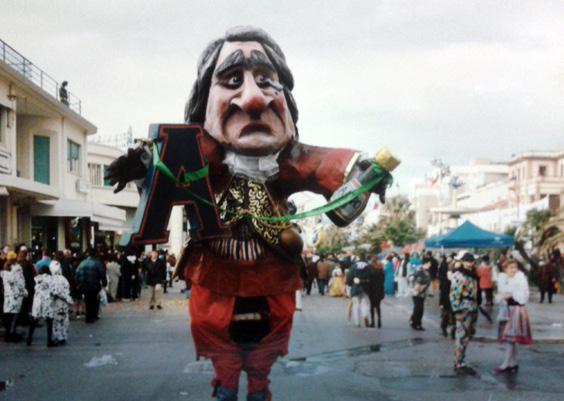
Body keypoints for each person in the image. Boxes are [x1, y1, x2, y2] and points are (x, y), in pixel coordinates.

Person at [105, 26, 390, 401]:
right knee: (224, 363)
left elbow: (330, 164)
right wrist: (145, 165)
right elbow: (166, 172)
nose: (254, 98)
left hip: (273, 275)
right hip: (216, 275)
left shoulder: (288, 160)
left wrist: (364, 173)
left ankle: (255, 387)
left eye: (267, 80)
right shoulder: (200, 156)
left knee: (261, 367)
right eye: (232, 80)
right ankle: (228, 386)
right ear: (204, 98)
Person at [495, 260, 533, 373]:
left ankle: (506, 363)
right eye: (511, 268)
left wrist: (510, 294)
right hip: (507, 311)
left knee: (510, 338)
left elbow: (523, 297)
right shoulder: (504, 279)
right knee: (510, 338)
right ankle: (513, 362)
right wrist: (505, 295)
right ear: (505, 269)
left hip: (516, 310)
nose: (514, 270)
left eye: (515, 267)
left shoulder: (520, 279)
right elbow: (500, 295)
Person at [450, 253, 479, 375]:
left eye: (471, 261)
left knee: (466, 337)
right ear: (462, 261)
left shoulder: (471, 275)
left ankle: (461, 360)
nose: (470, 263)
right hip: (463, 309)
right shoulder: (459, 275)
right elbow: (454, 294)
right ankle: (458, 362)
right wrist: (456, 311)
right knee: (461, 336)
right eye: (467, 261)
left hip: (471, 308)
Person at [1, 252, 28, 342]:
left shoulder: (4, 271)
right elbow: (20, 283)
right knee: (14, 317)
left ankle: (8, 335)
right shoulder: (18, 269)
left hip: (8, 297)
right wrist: (25, 292)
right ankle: (12, 334)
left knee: (8, 317)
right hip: (16, 297)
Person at [75, 248, 107, 323]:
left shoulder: (82, 263)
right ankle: (92, 315)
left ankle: (89, 316)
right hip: (94, 284)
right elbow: (102, 273)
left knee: (87, 300)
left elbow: (77, 274)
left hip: (84, 284)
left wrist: (78, 283)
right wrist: (104, 282)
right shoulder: (97, 263)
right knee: (94, 300)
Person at [28, 263, 55, 346]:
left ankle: (29, 339)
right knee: (49, 321)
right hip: (47, 301)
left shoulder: (36, 279)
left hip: (37, 301)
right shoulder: (51, 279)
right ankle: (49, 341)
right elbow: (54, 290)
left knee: (34, 321)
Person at [346, 252, 373, 328]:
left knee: (356, 305)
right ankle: (365, 315)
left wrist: (350, 284)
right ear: (365, 258)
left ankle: (357, 323)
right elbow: (373, 277)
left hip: (355, 288)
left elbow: (349, 278)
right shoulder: (369, 267)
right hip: (366, 288)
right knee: (365, 304)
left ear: (358, 258)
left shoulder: (353, 266)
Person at [49, 261, 73, 345]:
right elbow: (67, 290)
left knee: (56, 321)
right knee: (64, 320)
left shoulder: (50, 279)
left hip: (55, 304)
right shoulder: (64, 279)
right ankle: (63, 336)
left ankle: (58, 336)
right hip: (64, 303)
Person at [408, 258, 431, 331]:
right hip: (417, 293)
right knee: (419, 309)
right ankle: (416, 323)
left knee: (419, 308)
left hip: (421, 293)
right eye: (429, 264)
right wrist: (419, 288)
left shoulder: (423, 271)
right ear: (425, 264)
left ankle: (415, 322)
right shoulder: (421, 271)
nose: (430, 265)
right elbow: (415, 282)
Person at [438, 255, 454, 338]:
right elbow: (442, 292)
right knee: (446, 315)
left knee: (451, 315)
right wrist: (441, 303)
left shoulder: (455, 278)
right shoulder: (445, 280)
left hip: (453, 300)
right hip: (446, 300)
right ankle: (444, 328)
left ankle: (452, 331)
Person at [368, 255, 385, 328]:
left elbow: (369, 279)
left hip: (372, 290)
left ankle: (372, 322)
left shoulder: (370, 268)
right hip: (379, 289)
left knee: (372, 306)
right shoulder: (381, 268)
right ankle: (379, 321)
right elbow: (383, 279)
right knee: (378, 306)